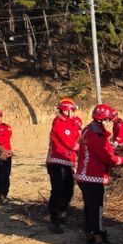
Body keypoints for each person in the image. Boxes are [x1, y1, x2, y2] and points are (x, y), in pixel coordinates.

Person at [75, 104, 123, 244]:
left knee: (89, 207)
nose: (110, 123)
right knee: (96, 208)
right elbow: (108, 157)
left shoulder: (88, 129)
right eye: (109, 120)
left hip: (84, 176)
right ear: (103, 120)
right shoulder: (97, 135)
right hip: (92, 176)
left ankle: (90, 234)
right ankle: (99, 239)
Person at [46, 98, 81, 234]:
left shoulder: (69, 123)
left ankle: (62, 212)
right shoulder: (59, 123)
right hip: (57, 161)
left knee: (69, 190)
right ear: (66, 110)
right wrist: (84, 148)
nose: (73, 113)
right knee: (58, 190)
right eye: (72, 110)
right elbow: (69, 142)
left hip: (67, 161)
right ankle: (54, 219)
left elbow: (76, 137)